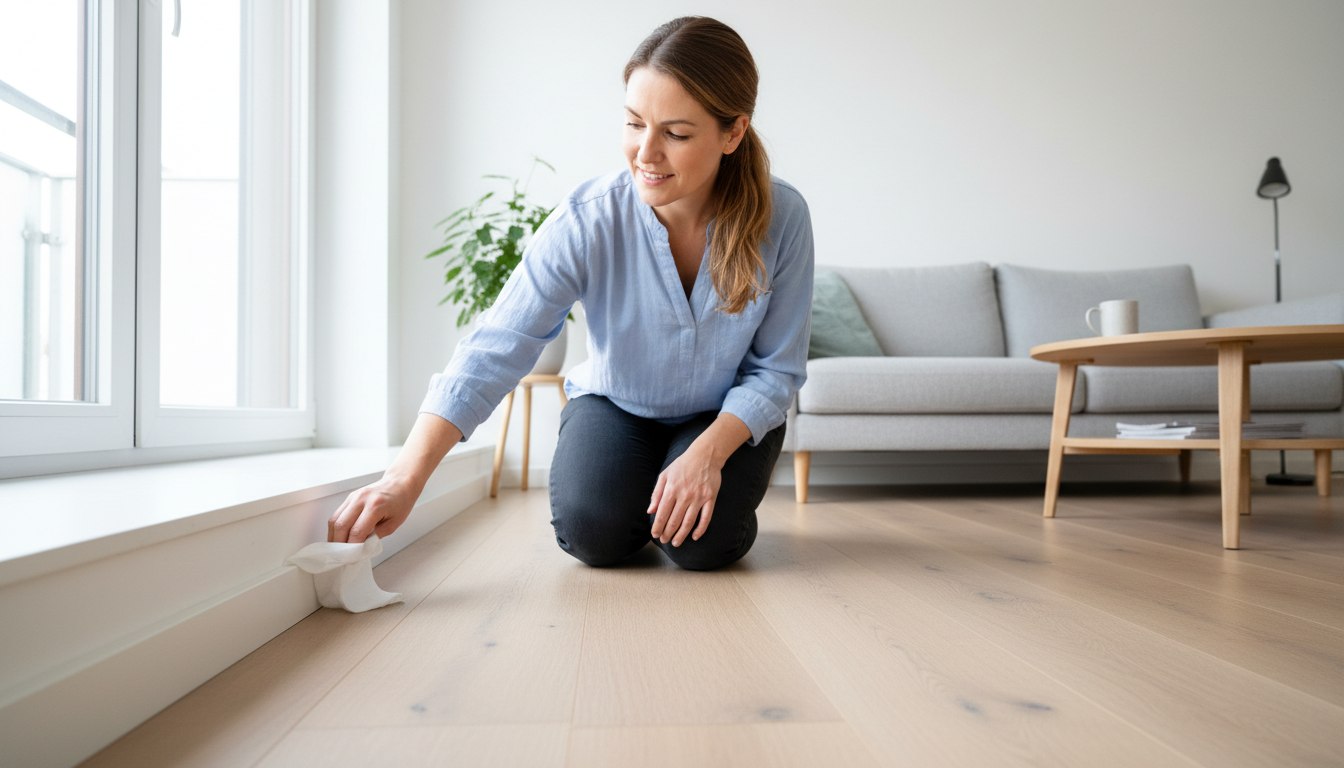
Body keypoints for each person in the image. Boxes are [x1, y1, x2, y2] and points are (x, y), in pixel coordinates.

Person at [328, 16, 814, 571]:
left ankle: (683, 493)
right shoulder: (587, 219)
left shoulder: (784, 217)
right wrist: (403, 478)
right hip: (617, 404)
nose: (645, 153)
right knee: (593, 533)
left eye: (676, 134)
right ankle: (646, 497)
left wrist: (706, 454)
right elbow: (498, 344)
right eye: (634, 124)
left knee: (705, 545)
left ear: (733, 133)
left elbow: (777, 370)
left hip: (724, 418)